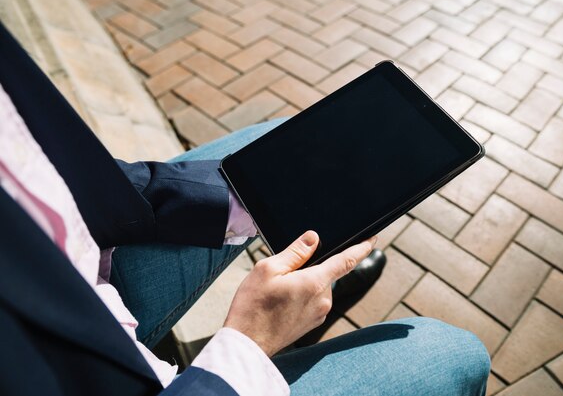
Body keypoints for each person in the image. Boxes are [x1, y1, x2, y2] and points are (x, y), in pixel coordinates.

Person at [0, 22, 490, 396]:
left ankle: (294, 315)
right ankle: (284, 335)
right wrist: (248, 344)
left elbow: (40, 169)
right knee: (453, 353)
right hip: (94, 369)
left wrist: (230, 200)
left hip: (87, 269)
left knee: (270, 147)